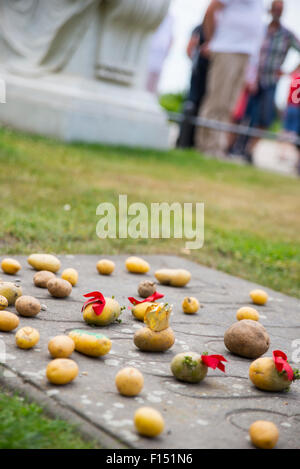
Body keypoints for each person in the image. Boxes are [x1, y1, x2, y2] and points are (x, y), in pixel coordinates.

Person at [195, 0, 264, 157]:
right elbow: (211, 9)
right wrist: (211, 40)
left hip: (245, 53)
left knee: (229, 105)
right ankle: (206, 146)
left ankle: (218, 146)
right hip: (227, 49)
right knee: (217, 100)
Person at [243, 0, 300, 163]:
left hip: (271, 81)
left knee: (265, 119)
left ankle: (250, 149)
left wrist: (290, 71)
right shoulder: (259, 30)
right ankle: (236, 147)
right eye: (275, 8)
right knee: (245, 115)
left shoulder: (287, 34)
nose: (277, 11)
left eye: (280, 9)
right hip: (251, 79)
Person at [177, 24, 210, 148]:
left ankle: (192, 142)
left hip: (208, 75)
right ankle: (183, 140)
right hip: (198, 72)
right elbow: (189, 49)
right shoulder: (199, 29)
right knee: (192, 104)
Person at [146, 14, 174, 94]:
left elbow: (171, 37)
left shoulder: (171, 18)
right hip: (151, 52)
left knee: (155, 78)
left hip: (161, 54)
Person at [283, 65, 300, 175]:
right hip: (296, 108)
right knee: (293, 133)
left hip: (290, 106)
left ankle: (283, 153)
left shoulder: (294, 78)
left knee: (287, 131)